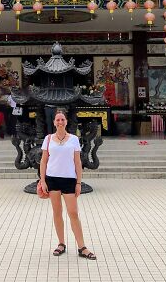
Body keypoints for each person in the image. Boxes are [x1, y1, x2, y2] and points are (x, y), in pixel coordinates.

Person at [39, 110, 96, 260]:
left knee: (73, 213)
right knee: (57, 213)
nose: (60, 122)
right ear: (54, 122)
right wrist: (43, 180)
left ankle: (82, 247)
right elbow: (44, 160)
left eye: (62, 119)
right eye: (57, 120)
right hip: (52, 179)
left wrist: (78, 182)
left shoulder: (74, 139)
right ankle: (61, 243)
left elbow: (77, 162)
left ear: (66, 122)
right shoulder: (48, 139)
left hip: (69, 180)